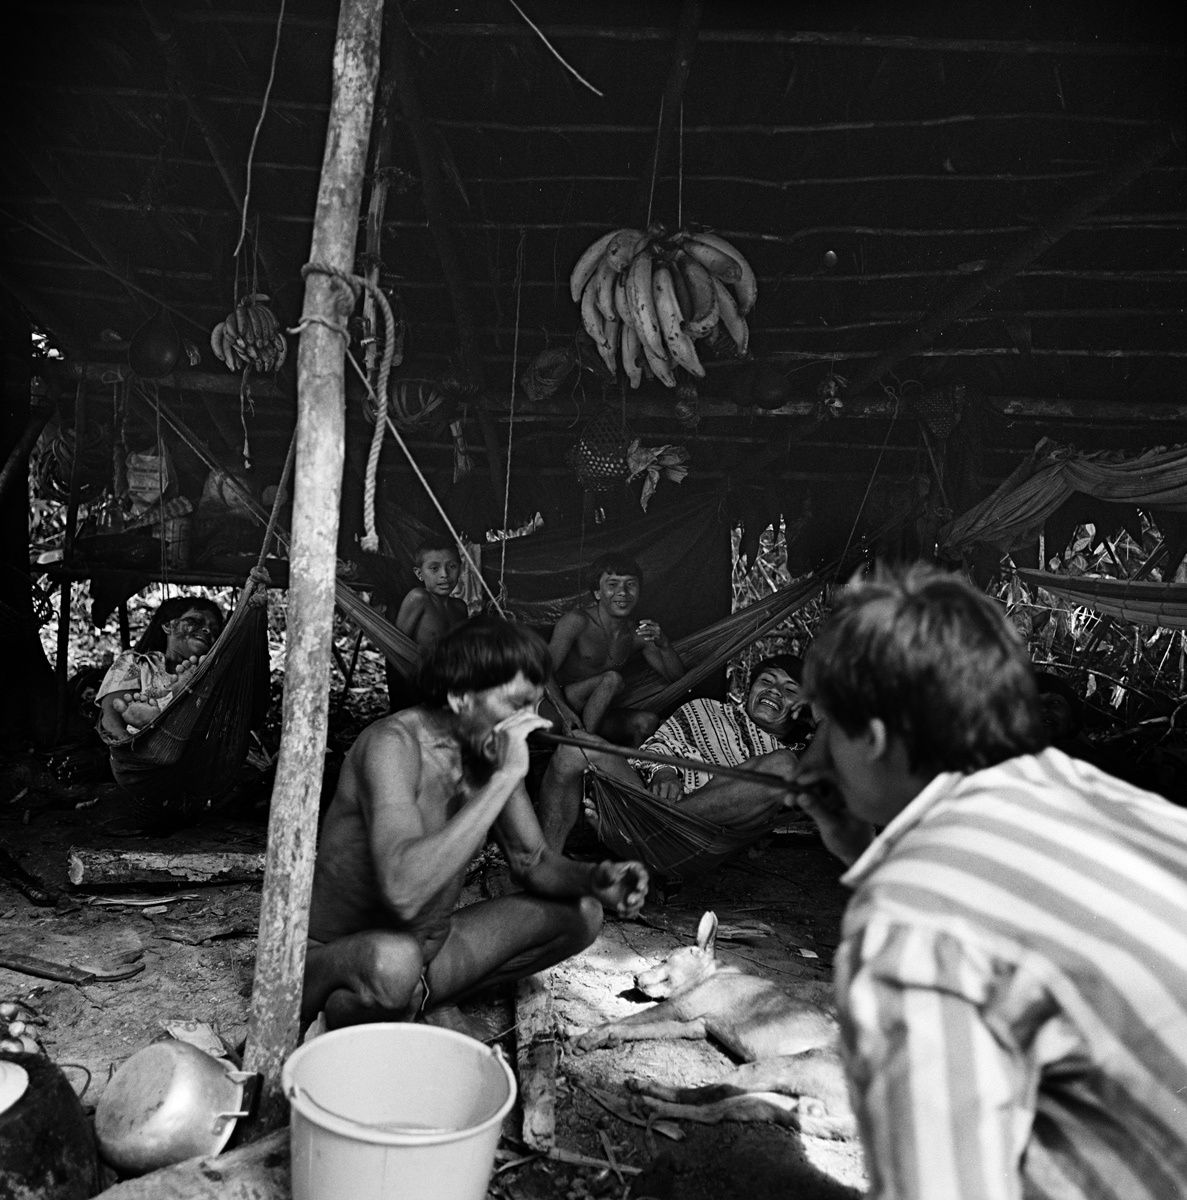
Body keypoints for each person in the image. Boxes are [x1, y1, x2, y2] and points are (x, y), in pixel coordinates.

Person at [791, 565, 1187, 1200]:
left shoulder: (916, 918)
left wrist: (896, 883)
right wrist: (866, 851)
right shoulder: (1079, 787)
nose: (819, 754)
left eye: (827, 727)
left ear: (874, 736)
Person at [302, 615, 649, 1034]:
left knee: (583, 915)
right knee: (393, 966)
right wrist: (503, 778)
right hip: (335, 960)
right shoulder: (393, 745)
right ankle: (364, 1016)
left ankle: (425, 999)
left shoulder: (486, 748)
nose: (535, 722)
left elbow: (533, 860)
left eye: (535, 706)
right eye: (516, 705)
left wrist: (595, 878)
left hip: (424, 956)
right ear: (460, 696)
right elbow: (404, 892)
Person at [538, 654, 812, 857]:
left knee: (783, 767)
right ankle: (545, 864)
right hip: (646, 801)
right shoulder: (706, 709)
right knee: (575, 745)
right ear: (749, 688)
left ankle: (654, 828)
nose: (774, 691)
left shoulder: (790, 754)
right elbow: (658, 743)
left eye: (789, 690)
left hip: (702, 835)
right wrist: (664, 771)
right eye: (766, 681)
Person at [548, 552, 685, 742]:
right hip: (561, 704)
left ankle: (621, 763)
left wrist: (665, 645)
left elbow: (677, 678)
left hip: (598, 712)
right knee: (612, 679)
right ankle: (583, 747)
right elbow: (542, 672)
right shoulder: (577, 622)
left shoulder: (639, 634)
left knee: (649, 722)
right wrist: (563, 712)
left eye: (630, 584)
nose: (623, 592)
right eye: (612, 585)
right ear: (597, 593)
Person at [95, 596, 224, 743]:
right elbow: (111, 715)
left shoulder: (212, 676)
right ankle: (154, 718)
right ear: (168, 626)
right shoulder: (137, 662)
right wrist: (126, 745)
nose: (207, 630)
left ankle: (167, 710)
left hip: (188, 746)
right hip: (135, 745)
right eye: (194, 621)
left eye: (214, 629)